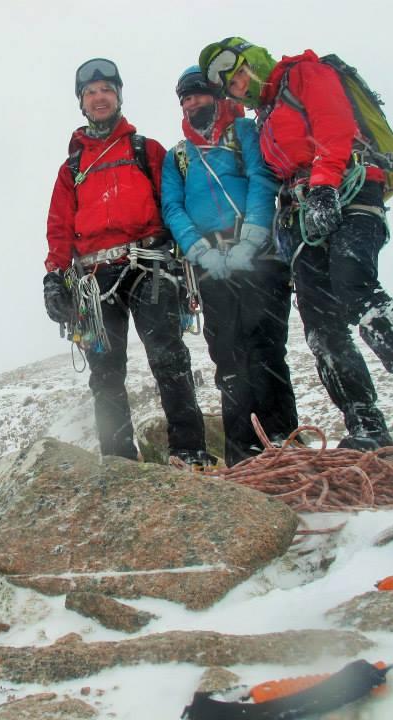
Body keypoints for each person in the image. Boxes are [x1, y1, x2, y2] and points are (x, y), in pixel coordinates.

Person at [198, 38, 393, 452]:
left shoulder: (306, 73)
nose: (236, 84)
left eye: (236, 71)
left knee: (355, 290)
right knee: (321, 327)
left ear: (252, 58)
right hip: (302, 216)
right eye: (227, 85)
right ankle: (365, 423)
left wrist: (324, 185)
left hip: (352, 193)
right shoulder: (265, 117)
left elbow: (335, 125)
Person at [44, 58, 212, 468]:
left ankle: (189, 453)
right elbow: (60, 227)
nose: (99, 97)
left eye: (106, 90)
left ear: (118, 96)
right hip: (95, 278)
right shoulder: (72, 168)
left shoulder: (146, 151)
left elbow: (172, 204)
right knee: (104, 374)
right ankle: (118, 462)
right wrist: (54, 276)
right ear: (81, 103)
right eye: (90, 92)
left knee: (169, 359)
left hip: (150, 266)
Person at [161, 66, 298, 466]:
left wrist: (253, 236)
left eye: (198, 94)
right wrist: (199, 250)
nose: (191, 103)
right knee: (228, 358)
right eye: (184, 98)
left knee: (267, 349)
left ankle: (284, 444)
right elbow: (173, 206)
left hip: (261, 260)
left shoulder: (246, 134)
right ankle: (243, 455)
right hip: (211, 265)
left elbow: (262, 178)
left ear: (217, 96)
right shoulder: (179, 157)